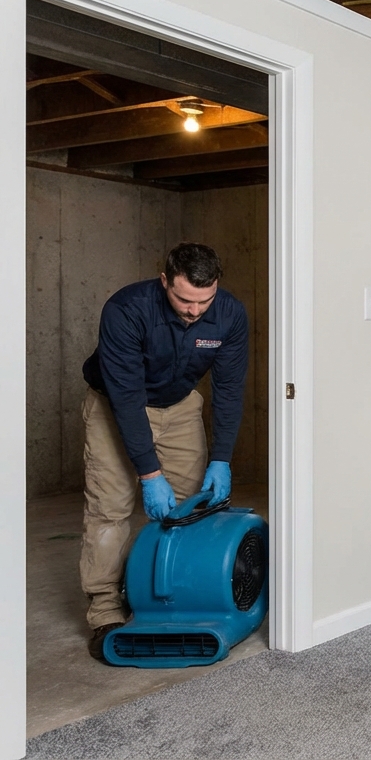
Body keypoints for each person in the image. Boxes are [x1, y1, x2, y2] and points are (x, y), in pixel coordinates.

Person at [79, 242, 249, 661]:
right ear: (164, 282)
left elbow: (227, 390)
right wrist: (149, 475)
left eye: (203, 300)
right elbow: (126, 397)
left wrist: (222, 457)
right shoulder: (126, 309)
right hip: (116, 406)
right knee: (110, 508)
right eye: (184, 299)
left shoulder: (229, 315)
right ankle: (105, 611)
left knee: (196, 505)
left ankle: (183, 596)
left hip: (179, 404)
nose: (194, 311)